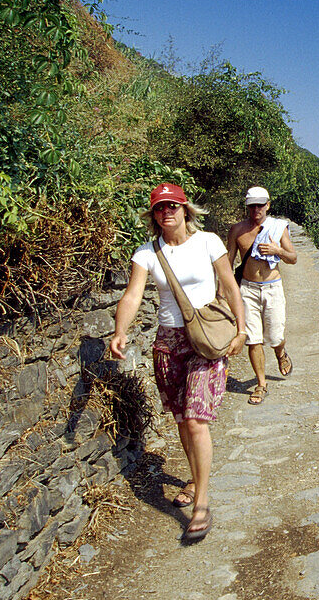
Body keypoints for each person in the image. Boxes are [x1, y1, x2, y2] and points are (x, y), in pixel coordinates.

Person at [109, 183, 246, 541]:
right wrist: (120, 330)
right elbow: (133, 293)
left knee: (197, 419)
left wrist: (242, 329)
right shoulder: (146, 253)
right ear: (153, 215)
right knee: (183, 421)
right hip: (168, 342)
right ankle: (195, 476)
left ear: (186, 209)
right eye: (159, 208)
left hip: (206, 339)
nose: (166, 212)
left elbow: (230, 285)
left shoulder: (208, 242)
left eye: (173, 205)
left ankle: (201, 502)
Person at [226, 186, 297, 405]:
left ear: (268, 205)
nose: (256, 209)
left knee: (275, 336)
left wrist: (278, 252)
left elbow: (293, 257)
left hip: (272, 287)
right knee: (253, 338)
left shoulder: (278, 228)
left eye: (260, 205)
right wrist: (223, 293)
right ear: (247, 207)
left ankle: (280, 351)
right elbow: (227, 263)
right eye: (252, 205)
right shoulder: (237, 230)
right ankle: (261, 383)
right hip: (248, 289)